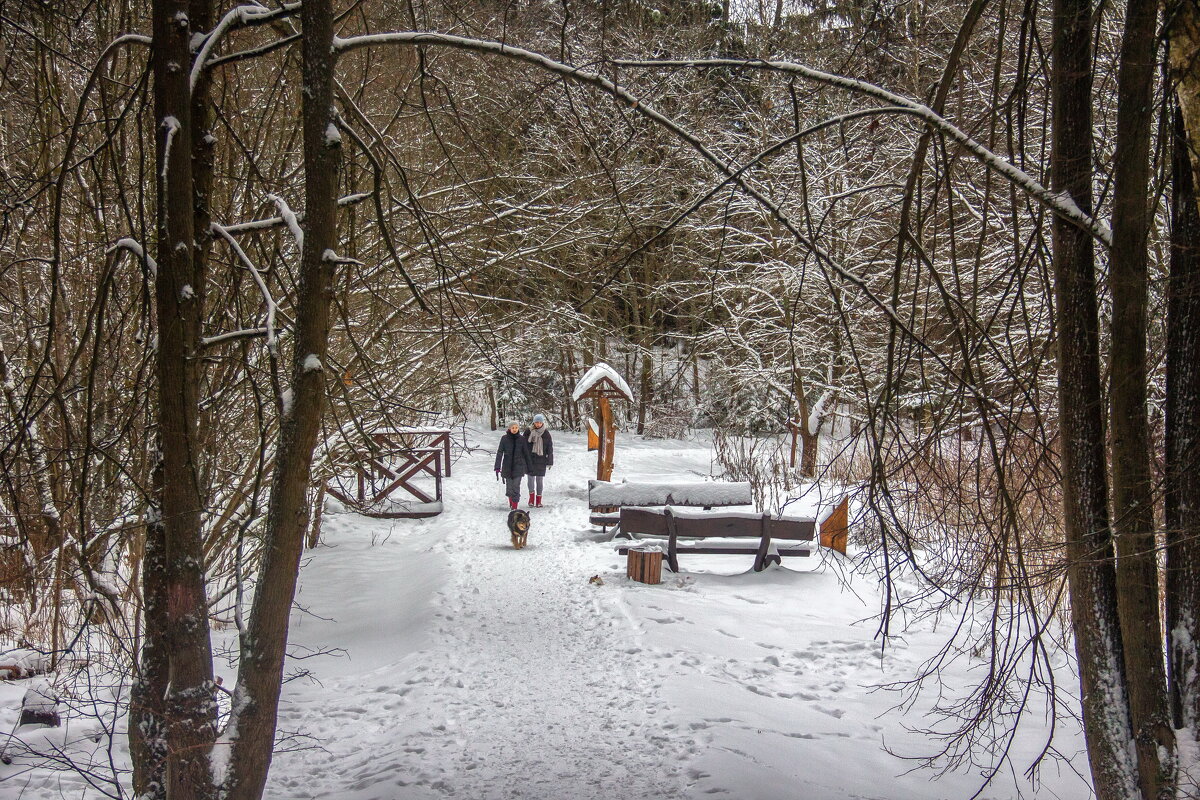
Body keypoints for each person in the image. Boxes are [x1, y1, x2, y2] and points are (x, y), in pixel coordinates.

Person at [495, 421, 533, 509]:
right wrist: (497, 466)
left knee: (516, 486)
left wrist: (530, 467)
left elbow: (526, 454)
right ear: (509, 428)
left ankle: (515, 506)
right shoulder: (504, 439)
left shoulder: (522, 439)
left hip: (518, 467)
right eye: (513, 428)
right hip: (507, 467)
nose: (515, 429)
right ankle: (511, 502)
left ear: (518, 428)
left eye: (516, 427)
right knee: (509, 488)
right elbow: (500, 453)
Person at [525, 413, 554, 508]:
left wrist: (550, 461)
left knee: (539, 480)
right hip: (530, 459)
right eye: (536, 422)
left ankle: (538, 500)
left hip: (541, 459)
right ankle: (531, 499)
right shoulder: (528, 432)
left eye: (540, 422)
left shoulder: (546, 433)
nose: (538, 424)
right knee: (530, 479)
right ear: (533, 422)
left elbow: (550, 448)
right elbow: (523, 446)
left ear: (542, 423)